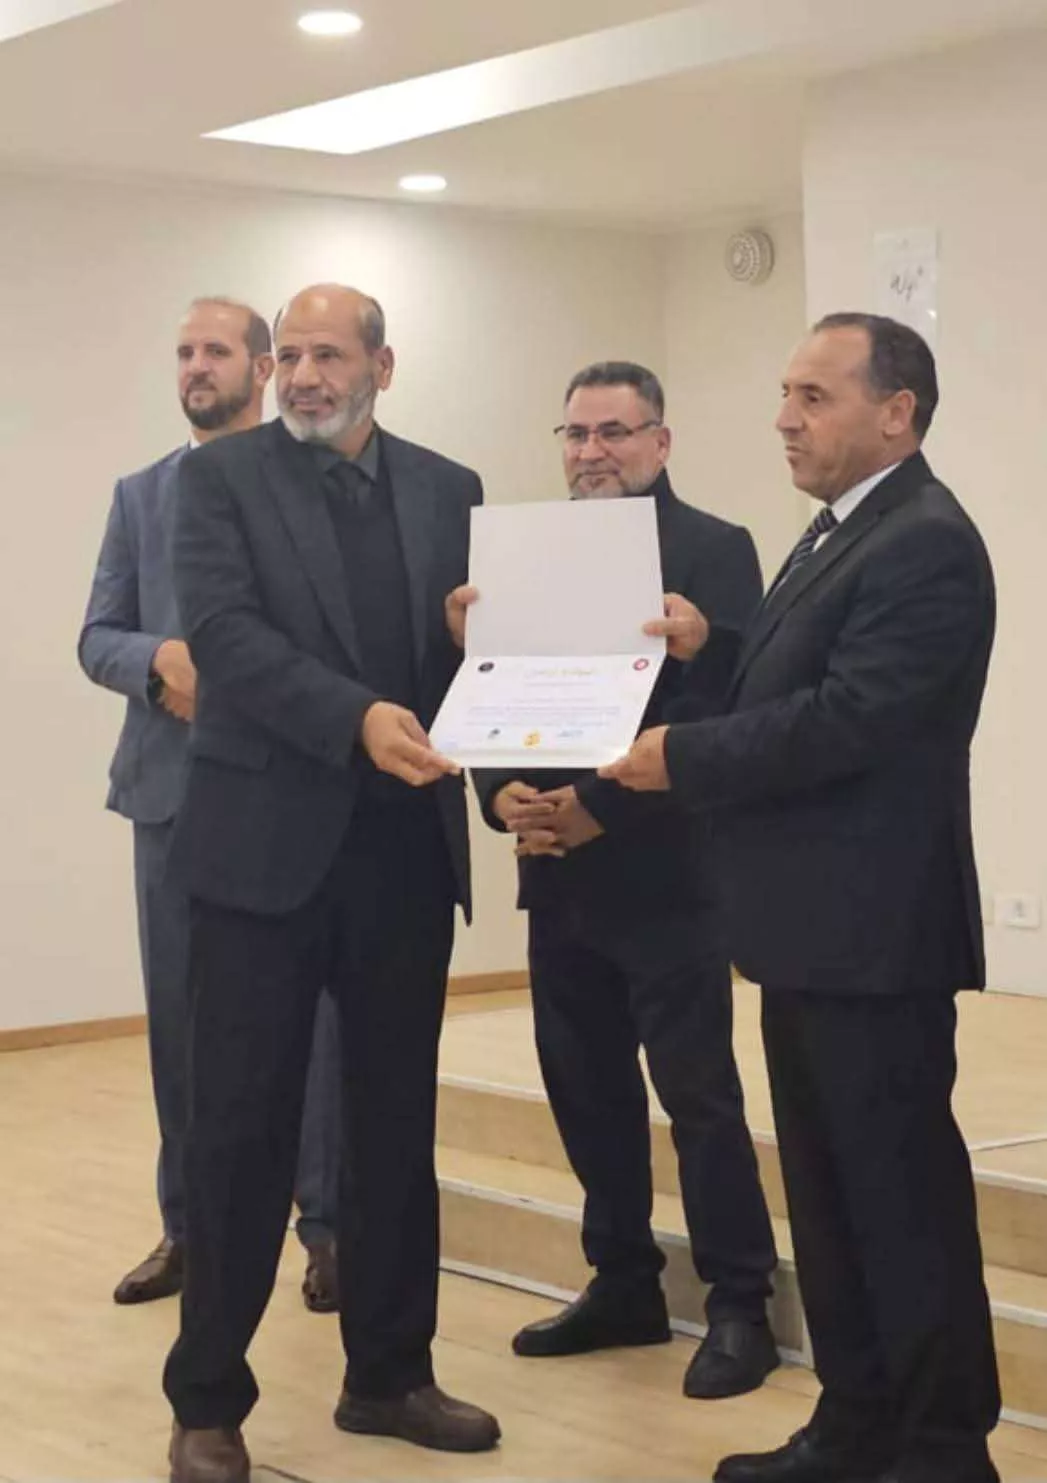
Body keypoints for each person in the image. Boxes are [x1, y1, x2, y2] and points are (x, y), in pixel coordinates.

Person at [602, 314, 1000, 1483]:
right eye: (786, 392)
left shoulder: (925, 541)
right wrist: (710, 646)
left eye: (814, 397)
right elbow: (793, 679)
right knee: (829, 1203)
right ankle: (855, 1424)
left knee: (901, 1205)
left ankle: (940, 1450)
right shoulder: (845, 529)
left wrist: (680, 755)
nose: (784, 418)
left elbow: (851, 719)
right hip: (809, 934)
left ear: (898, 412)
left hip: (876, 939)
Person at [163, 284, 500, 1483]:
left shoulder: (451, 488)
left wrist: (470, 645)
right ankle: (208, 1400)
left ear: (382, 367)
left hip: (402, 852)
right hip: (259, 858)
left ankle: (391, 1375)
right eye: (291, 355)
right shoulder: (217, 480)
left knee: (395, 1125)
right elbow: (226, 638)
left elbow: (455, 670)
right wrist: (356, 716)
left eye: (328, 355)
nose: (303, 376)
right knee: (241, 1133)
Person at [472, 362, 778, 1400]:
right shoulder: (523, 555)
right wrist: (504, 795)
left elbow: (726, 705)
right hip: (555, 873)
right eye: (576, 433)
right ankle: (623, 1283)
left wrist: (603, 807)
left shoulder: (715, 548)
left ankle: (739, 1302)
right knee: (585, 1090)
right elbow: (491, 683)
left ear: (660, 441)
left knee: (698, 1098)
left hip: (668, 872)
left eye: (614, 431)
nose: (592, 451)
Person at [79, 297, 343, 1315]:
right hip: (171, 792)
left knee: (313, 1023)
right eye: (184, 350)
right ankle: (189, 1227)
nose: (196, 366)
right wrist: (159, 661)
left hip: (289, 791)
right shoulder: (141, 495)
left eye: (216, 350)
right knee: (181, 1026)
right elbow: (98, 633)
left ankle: (328, 1230)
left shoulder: (308, 480)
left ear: (263, 369)